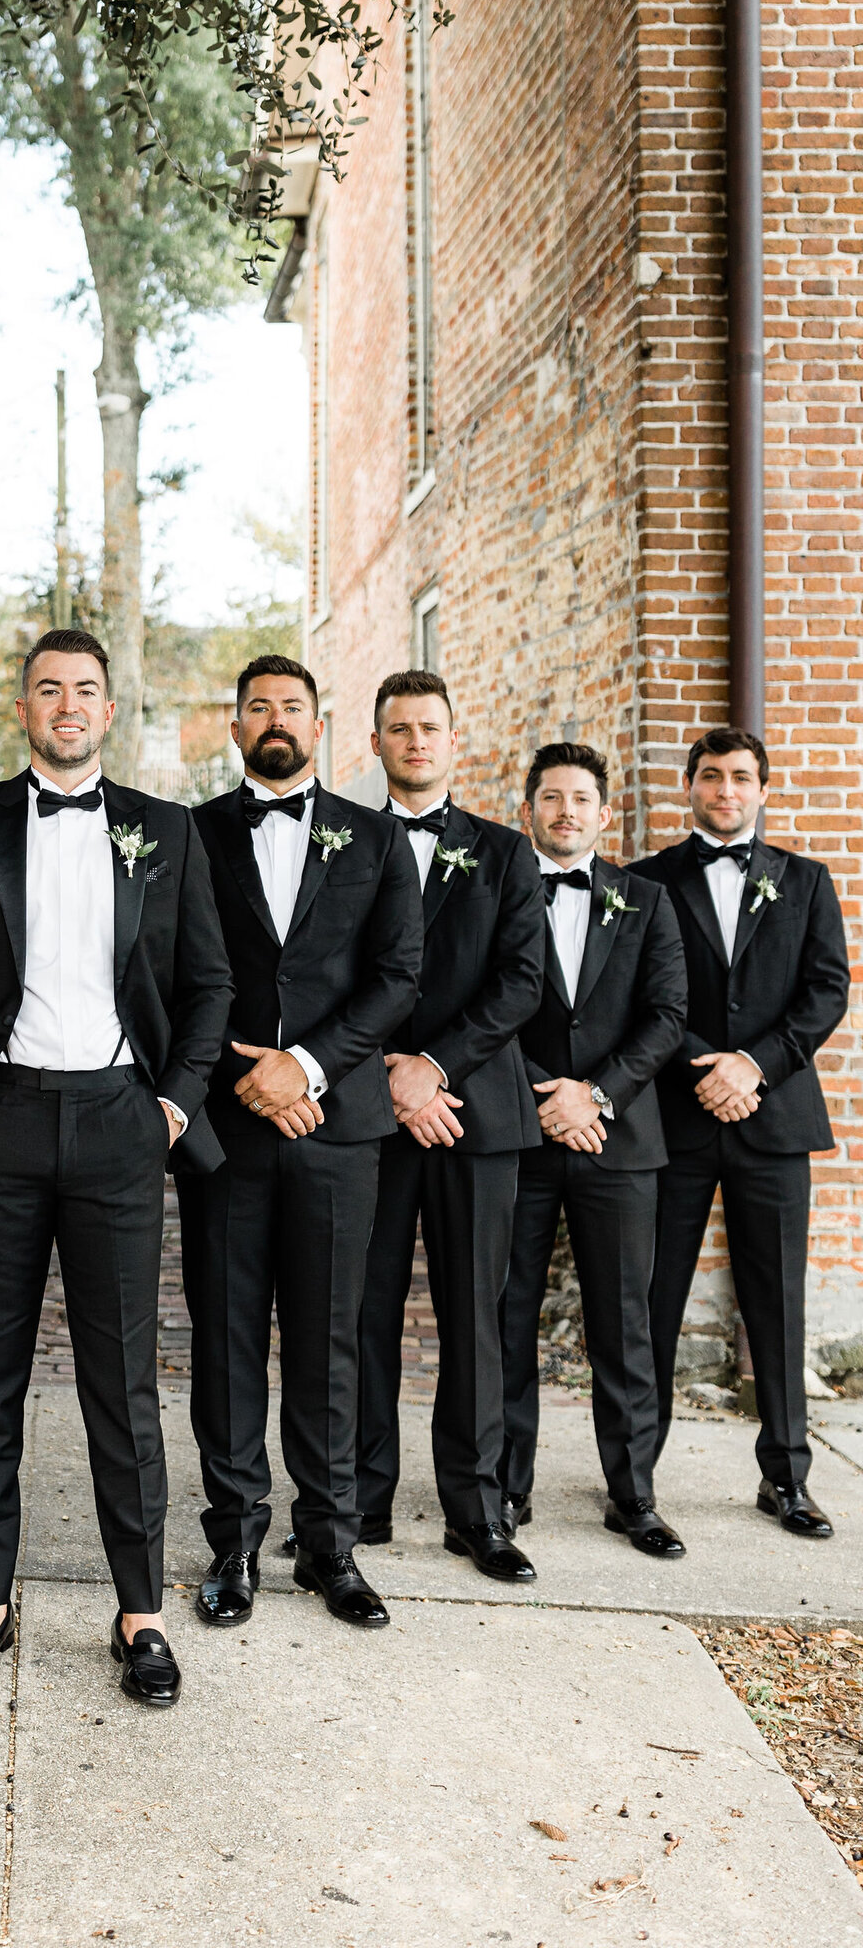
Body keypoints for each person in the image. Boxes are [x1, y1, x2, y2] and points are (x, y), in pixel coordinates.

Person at [0, 628, 231, 1707]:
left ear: (108, 708)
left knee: (121, 1384)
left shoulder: (164, 830)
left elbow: (209, 982)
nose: (66, 706)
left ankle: (140, 1614)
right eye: (48, 689)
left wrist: (174, 1103)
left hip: (123, 1124)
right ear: (22, 707)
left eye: (85, 690)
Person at [180, 656, 421, 1630]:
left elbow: (397, 976)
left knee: (332, 1342)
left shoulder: (372, 837)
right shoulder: (187, 835)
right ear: (232, 725)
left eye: (292, 707)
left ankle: (331, 1547)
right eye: (257, 707)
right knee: (227, 1340)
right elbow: (166, 973)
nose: (274, 720)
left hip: (337, 1128)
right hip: (228, 1132)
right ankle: (232, 1542)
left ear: (319, 726)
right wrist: (246, 1075)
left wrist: (308, 1068)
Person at [632, 728, 851, 1539]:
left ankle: (787, 1480)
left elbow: (826, 992)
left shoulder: (806, 881)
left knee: (778, 1304)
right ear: (690, 785)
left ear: (763, 788)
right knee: (652, 1302)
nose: (727, 790)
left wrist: (752, 1067)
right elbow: (640, 994)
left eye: (742, 777)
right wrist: (703, 1068)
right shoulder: (647, 881)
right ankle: (634, 1480)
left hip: (775, 1118)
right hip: (676, 1123)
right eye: (713, 776)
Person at [355, 669, 545, 1581]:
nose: (416, 742)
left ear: (452, 741)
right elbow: (330, 972)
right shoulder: (344, 842)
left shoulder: (507, 854)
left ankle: (477, 1511)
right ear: (378, 741)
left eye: (430, 727)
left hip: (479, 1112)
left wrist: (434, 1068)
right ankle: (360, 1498)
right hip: (371, 1111)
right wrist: (388, 1070)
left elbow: (521, 983)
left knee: (478, 1316)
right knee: (363, 1312)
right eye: (400, 729)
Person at [499, 744, 688, 1556]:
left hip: (620, 1139)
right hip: (520, 1136)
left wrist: (595, 1094)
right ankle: (503, 1487)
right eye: (551, 798)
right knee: (507, 1317)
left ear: (605, 815)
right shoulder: (500, 893)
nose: (566, 811)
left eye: (581, 799)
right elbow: (487, 1007)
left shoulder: (646, 900)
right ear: (529, 811)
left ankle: (633, 1495)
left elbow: (667, 1017)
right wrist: (548, 1095)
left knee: (625, 1323)